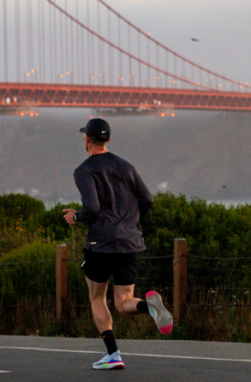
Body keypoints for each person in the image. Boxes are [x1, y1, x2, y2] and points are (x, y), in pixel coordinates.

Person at [63, 118, 173, 370]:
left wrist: (76, 216)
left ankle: (113, 354)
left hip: (100, 243)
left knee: (97, 297)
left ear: (87, 139)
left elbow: (91, 208)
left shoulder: (84, 170)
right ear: (109, 140)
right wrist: (128, 223)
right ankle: (150, 308)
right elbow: (147, 199)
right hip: (130, 242)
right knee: (124, 301)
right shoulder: (126, 166)